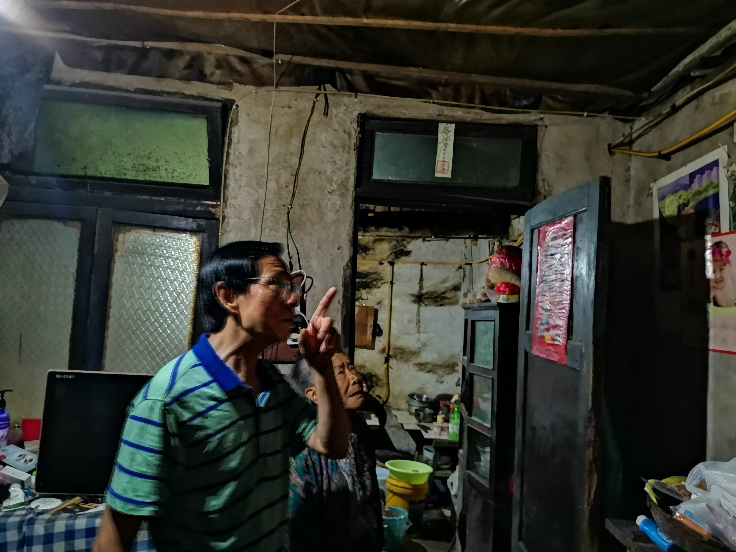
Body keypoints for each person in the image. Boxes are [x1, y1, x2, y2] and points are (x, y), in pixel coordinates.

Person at [94, 241, 350, 552]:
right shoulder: (166, 401)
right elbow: (114, 538)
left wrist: (321, 367)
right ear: (228, 296)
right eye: (277, 283)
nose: (294, 299)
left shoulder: (270, 381)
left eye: (293, 285)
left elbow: (332, 445)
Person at [286, 353, 384, 552]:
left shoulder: (359, 429)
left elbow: (371, 498)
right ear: (314, 394)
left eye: (351, 368)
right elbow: (296, 530)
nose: (354, 378)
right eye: (340, 372)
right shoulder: (306, 453)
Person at [712, 241, 736, 307]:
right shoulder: (712, 290)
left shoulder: (734, 281)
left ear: (730, 266)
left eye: (721, 269)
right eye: (713, 271)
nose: (717, 276)